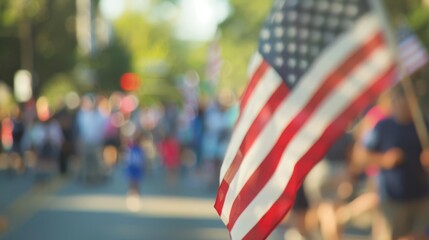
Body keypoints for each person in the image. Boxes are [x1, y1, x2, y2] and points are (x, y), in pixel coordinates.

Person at [363, 86, 429, 239]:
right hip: (393, 198)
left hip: (421, 195)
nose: (405, 107)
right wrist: (384, 160)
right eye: (401, 102)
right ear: (394, 103)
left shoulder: (423, 124)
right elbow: (363, 156)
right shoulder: (383, 127)